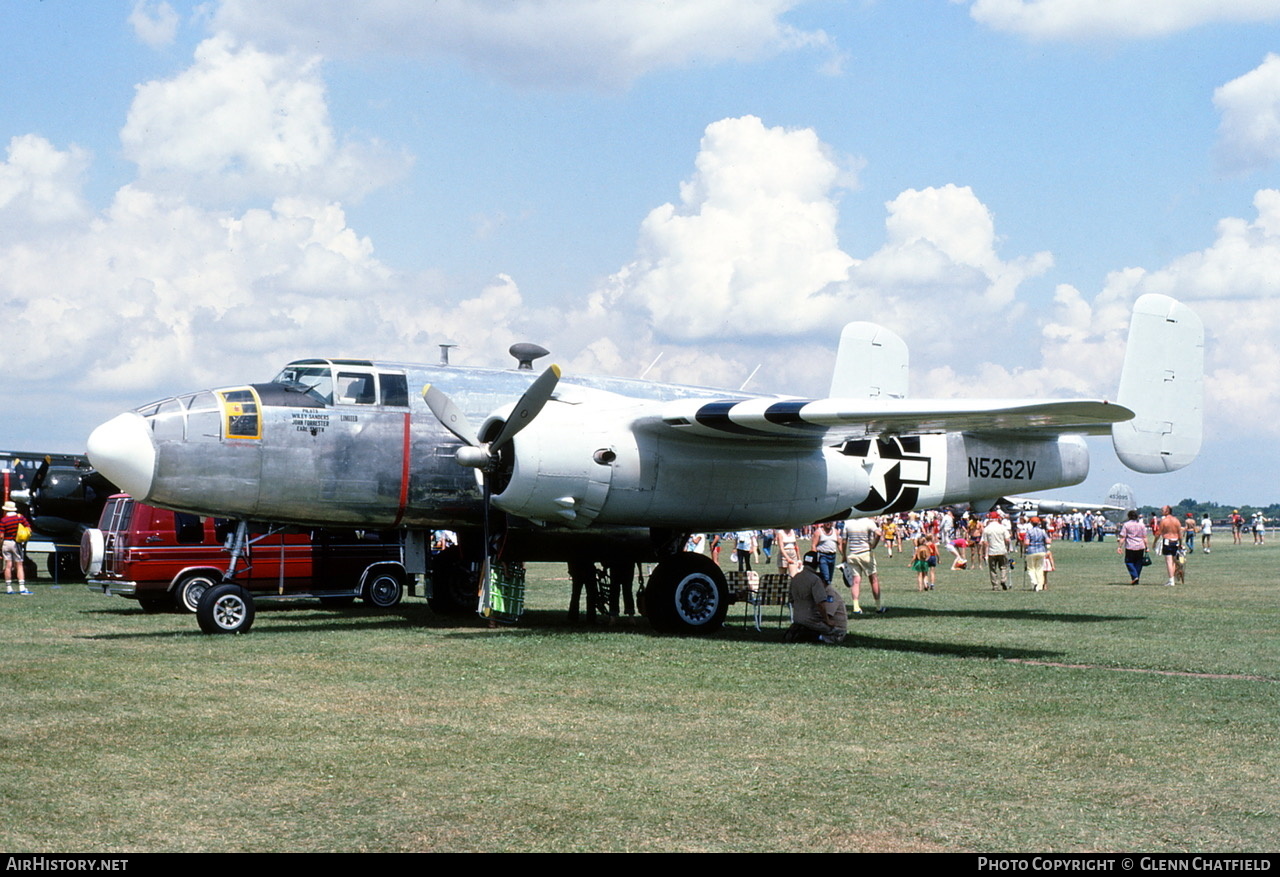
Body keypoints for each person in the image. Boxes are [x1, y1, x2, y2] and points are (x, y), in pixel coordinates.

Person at [785, 551, 846, 644]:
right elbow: (820, 603)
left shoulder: (795, 578)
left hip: (797, 618)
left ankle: (799, 632)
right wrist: (827, 621)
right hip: (812, 620)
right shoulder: (815, 580)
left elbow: (791, 600)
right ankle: (811, 636)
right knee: (837, 635)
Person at [840, 516, 884, 615]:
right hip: (865, 553)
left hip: (853, 554)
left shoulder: (848, 522)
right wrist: (873, 545)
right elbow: (878, 533)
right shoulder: (869, 522)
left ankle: (856, 607)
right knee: (873, 580)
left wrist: (843, 555)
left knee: (856, 582)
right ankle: (878, 606)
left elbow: (843, 541)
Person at [2, 501, 32, 595]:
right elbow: (29, 529)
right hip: (16, 543)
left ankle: (9, 588)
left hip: (6, 543)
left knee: (8, 565)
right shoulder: (20, 518)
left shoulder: (3, 520)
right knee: (19, 565)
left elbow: (1, 536)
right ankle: (22, 587)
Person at [1153, 506, 1183, 587]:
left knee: (1169, 561)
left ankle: (1171, 580)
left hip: (1167, 541)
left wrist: (1154, 542)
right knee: (1173, 561)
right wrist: (1180, 543)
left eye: (1162, 510)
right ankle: (1172, 578)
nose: (1161, 511)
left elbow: (1158, 533)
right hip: (1175, 541)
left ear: (1167, 511)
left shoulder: (1164, 521)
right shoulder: (1176, 520)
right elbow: (1180, 533)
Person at [982, 511, 1012, 590]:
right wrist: (1008, 548)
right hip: (1002, 550)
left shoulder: (986, 529)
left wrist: (984, 553)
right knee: (1003, 567)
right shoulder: (1002, 527)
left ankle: (995, 585)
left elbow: (985, 542)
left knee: (992, 569)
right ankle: (1003, 579)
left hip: (992, 552)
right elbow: (1007, 539)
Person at [1117, 509, 1148, 585]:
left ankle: (1134, 576)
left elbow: (1123, 537)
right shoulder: (1141, 525)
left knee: (1129, 561)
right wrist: (1147, 547)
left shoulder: (1126, 525)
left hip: (1130, 546)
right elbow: (1144, 537)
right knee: (1139, 562)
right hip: (1140, 545)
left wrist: (1119, 547)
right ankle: (1136, 576)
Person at [1024, 516, 1050, 591]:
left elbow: (1027, 542)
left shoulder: (1029, 532)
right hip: (1041, 551)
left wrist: (1025, 547)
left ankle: (1034, 582)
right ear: (1039, 523)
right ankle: (1039, 586)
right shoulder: (1042, 531)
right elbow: (1048, 541)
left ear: (1031, 523)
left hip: (1031, 551)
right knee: (1039, 568)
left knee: (1031, 568)